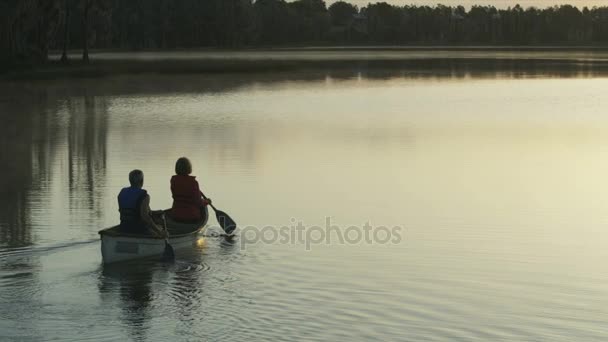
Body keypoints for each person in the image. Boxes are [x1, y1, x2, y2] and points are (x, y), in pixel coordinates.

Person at [117, 169, 166, 237]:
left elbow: (131, 210)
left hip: (123, 227)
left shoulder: (122, 193)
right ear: (142, 181)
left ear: (130, 181)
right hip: (138, 230)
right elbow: (145, 217)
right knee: (160, 228)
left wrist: (154, 212)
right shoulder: (144, 196)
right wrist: (159, 231)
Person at [170, 157, 211, 222]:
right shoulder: (193, 183)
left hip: (176, 216)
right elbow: (199, 202)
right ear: (189, 168)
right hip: (192, 217)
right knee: (203, 205)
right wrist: (207, 202)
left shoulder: (173, 181)